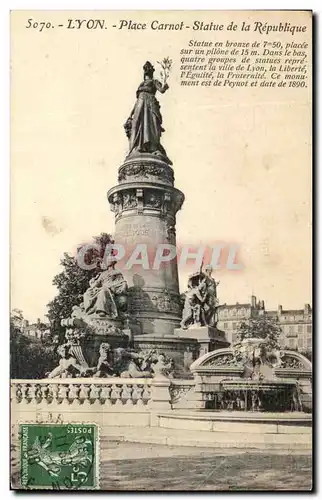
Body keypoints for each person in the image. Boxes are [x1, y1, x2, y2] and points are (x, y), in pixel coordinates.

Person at [124, 61, 171, 163]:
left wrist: (165, 85)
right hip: (140, 105)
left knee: (152, 125)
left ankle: (152, 147)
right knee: (137, 125)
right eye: (146, 70)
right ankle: (137, 148)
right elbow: (137, 101)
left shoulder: (154, 81)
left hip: (150, 104)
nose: (147, 72)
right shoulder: (141, 84)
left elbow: (161, 90)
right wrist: (130, 114)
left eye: (148, 70)